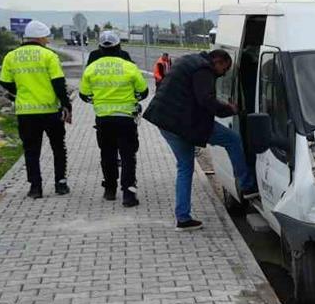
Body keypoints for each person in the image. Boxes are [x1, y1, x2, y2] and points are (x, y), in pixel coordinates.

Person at [143, 49, 257, 231]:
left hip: (165, 121)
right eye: (225, 69)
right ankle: (247, 186)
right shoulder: (204, 70)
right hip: (184, 122)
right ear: (218, 62)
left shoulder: (188, 61)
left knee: (185, 168)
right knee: (232, 140)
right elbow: (206, 100)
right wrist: (230, 109)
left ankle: (183, 218)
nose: (224, 73)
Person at [0, 19, 72, 199]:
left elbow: (4, 82)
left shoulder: (11, 56)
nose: (47, 40)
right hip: (50, 111)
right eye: (45, 37)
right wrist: (66, 104)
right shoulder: (49, 56)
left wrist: (20, 92)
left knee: (31, 150)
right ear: (39, 38)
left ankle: (35, 187)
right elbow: (58, 83)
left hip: (26, 112)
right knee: (58, 148)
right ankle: (60, 183)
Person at [80, 50, 149, 207]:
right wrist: (132, 98)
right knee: (128, 156)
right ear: (118, 47)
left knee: (107, 154)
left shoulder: (92, 68)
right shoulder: (129, 67)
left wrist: (99, 100)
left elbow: (84, 95)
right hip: (126, 119)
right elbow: (143, 92)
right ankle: (129, 194)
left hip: (103, 120)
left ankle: (110, 190)